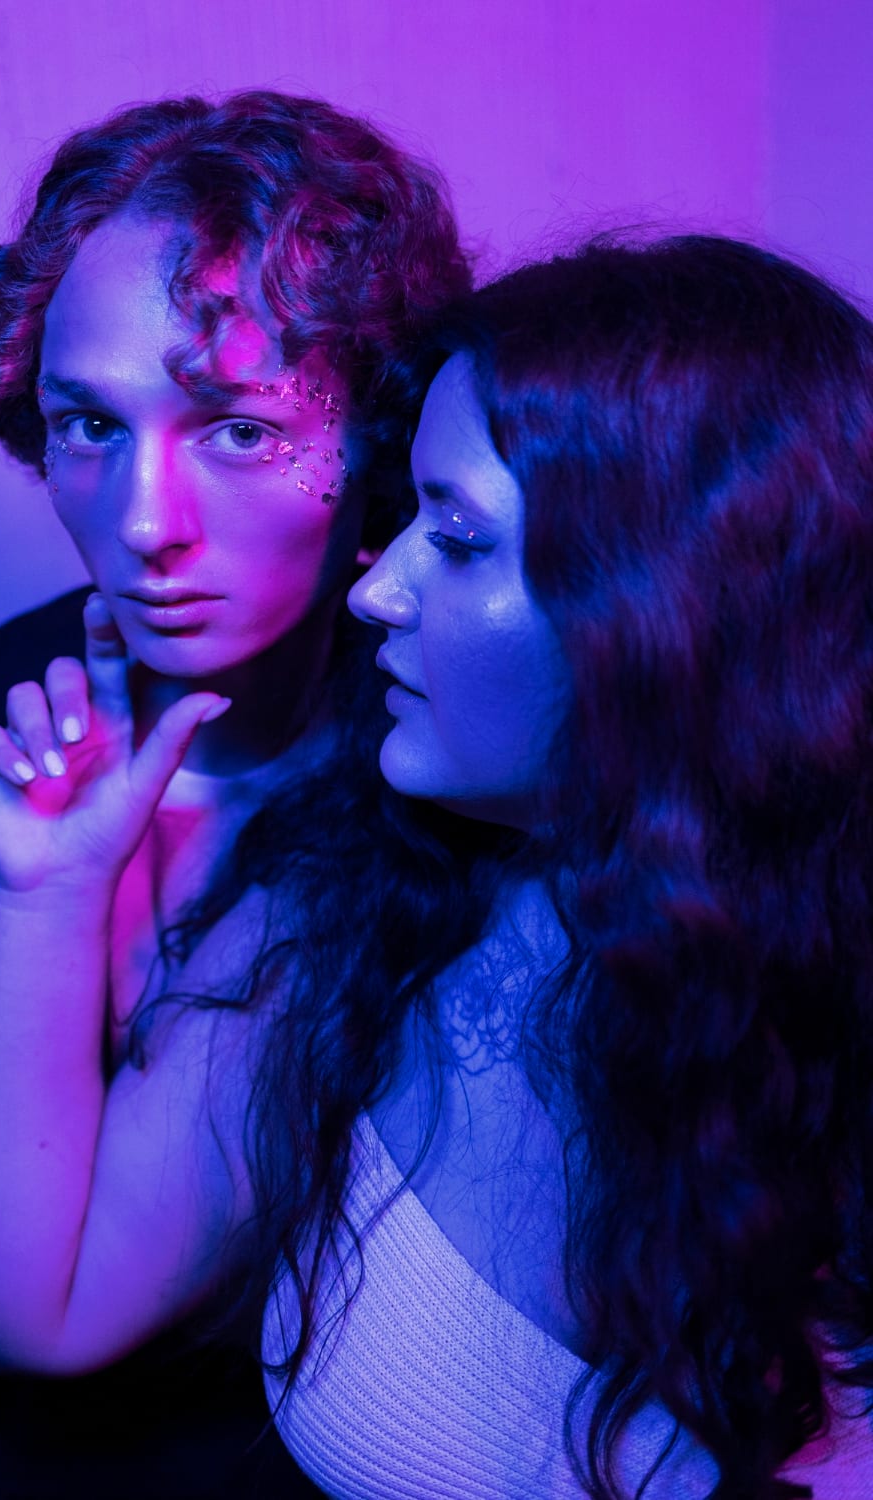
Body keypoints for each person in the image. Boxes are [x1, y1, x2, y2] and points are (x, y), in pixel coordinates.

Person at [0, 90, 470, 1495]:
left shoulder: (462, 795)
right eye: (87, 424)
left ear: (380, 442)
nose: (144, 521)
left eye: (237, 431)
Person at [338, 236, 873, 1498]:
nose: (378, 592)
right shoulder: (417, 898)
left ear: (656, 612)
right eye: (402, 517)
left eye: (457, 541)